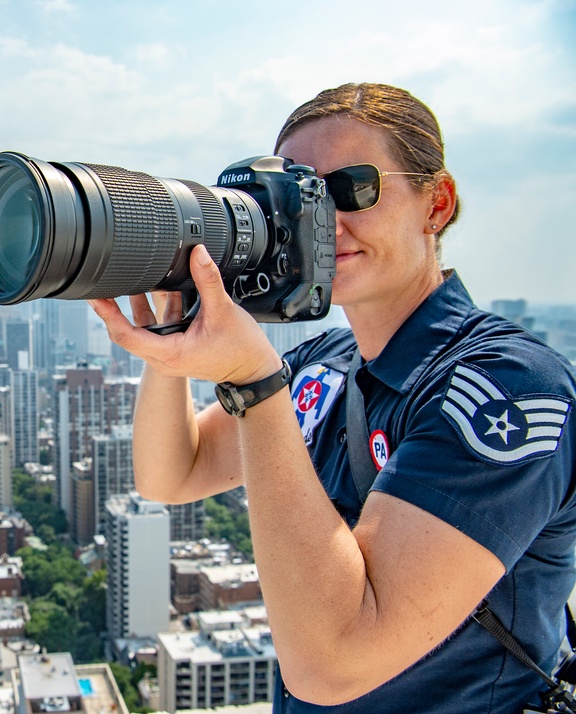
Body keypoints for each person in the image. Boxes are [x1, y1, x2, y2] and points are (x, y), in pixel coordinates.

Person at [88, 82, 576, 712]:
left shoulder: (504, 386)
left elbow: (332, 662)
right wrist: (171, 340)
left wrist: (258, 384)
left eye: (350, 189)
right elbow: (170, 474)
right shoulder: (323, 368)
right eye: (294, 200)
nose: (321, 222)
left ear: (437, 203)